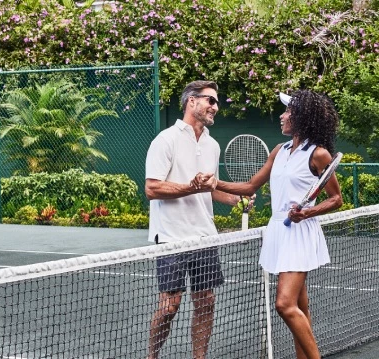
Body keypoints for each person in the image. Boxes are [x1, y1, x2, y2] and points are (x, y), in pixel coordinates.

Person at [194, 89, 343, 359]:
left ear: (301, 118)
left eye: (287, 112)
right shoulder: (280, 150)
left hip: (300, 232)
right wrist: (214, 183)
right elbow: (251, 185)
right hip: (279, 229)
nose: (282, 116)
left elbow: (336, 199)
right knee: (300, 305)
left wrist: (307, 212)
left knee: (285, 305)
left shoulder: (318, 154)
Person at [145, 80, 242, 359]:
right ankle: (152, 356)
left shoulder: (212, 145)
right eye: (210, 100)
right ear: (192, 102)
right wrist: (190, 186)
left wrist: (235, 199)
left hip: (204, 237)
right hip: (172, 237)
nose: (215, 106)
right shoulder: (166, 140)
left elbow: (209, 190)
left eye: (216, 101)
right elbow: (152, 189)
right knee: (169, 307)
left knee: (206, 302)